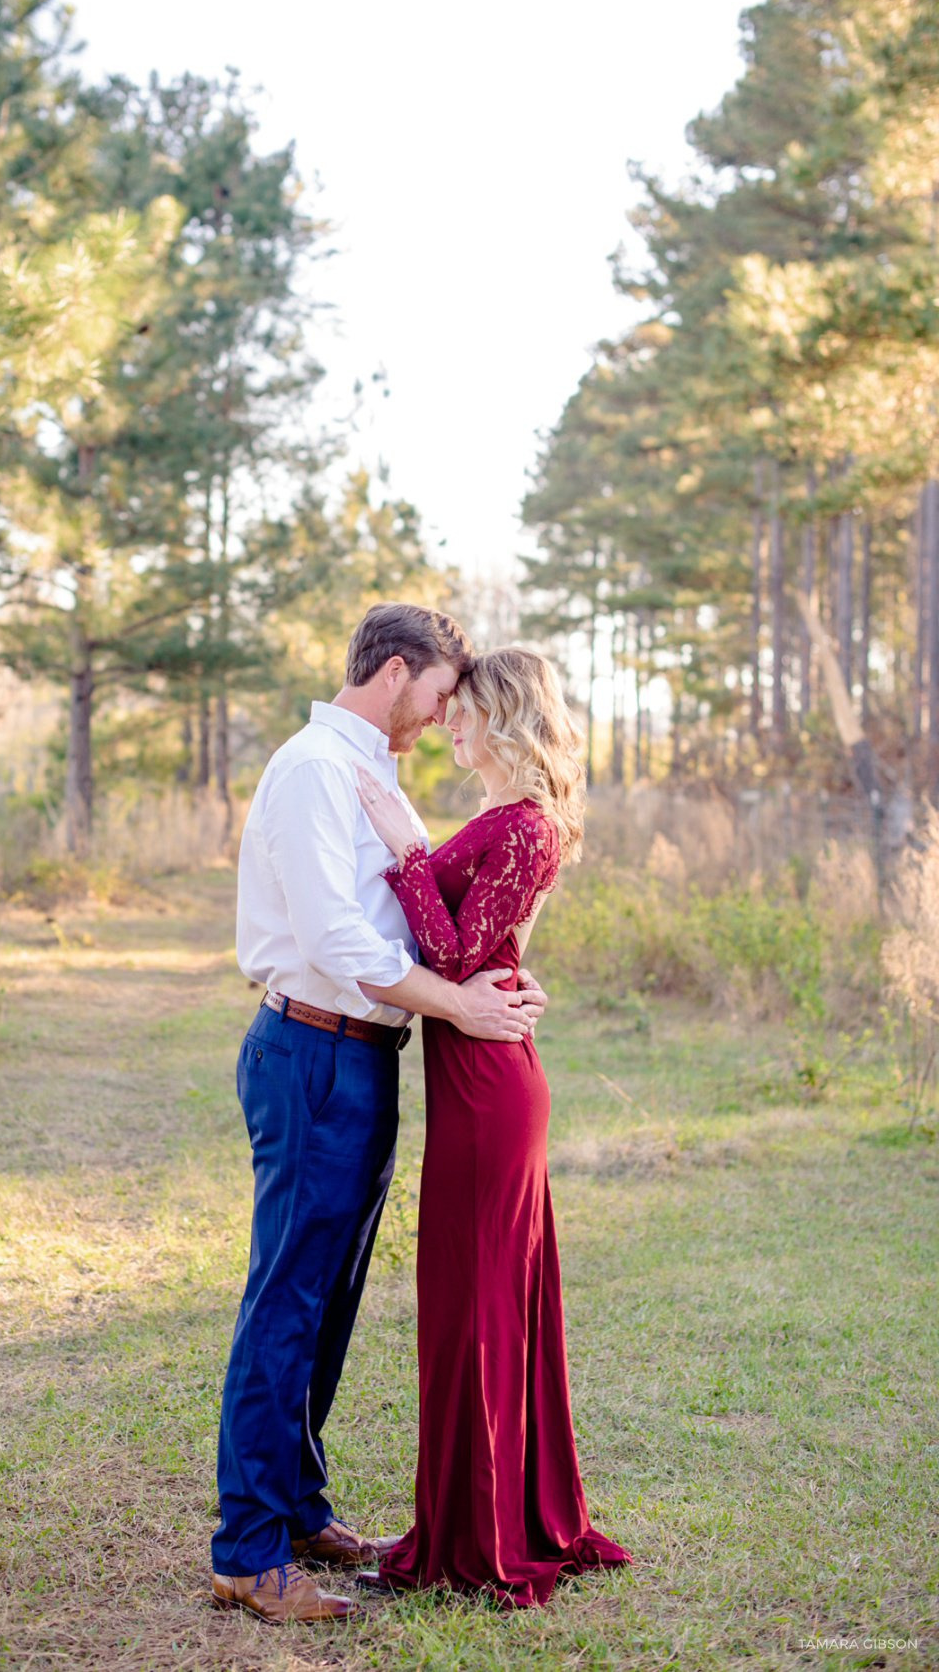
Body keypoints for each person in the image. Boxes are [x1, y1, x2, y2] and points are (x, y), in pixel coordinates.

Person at [210, 605, 550, 1626]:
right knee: (286, 1299)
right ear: (396, 673)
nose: (446, 715)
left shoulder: (370, 772)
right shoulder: (316, 767)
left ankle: (299, 1507)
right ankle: (247, 1549)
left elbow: (424, 920)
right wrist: (463, 1006)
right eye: (441, 693)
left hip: (363, 1056)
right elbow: (337, 937)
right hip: (312, 1048)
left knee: (330, 1299)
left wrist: (506, 981)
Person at [354, 647, 632, 1608]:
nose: (449, 727)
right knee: (478, 1303)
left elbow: (456, 955)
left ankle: (478, 1539)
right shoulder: (509, 821)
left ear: (503, 716)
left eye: (463, 712)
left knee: (478, 1306)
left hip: (487, 1089)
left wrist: (404, 851)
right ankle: (474, 1515)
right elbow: (485, 960)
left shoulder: (521, 825)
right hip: (481, 1076)